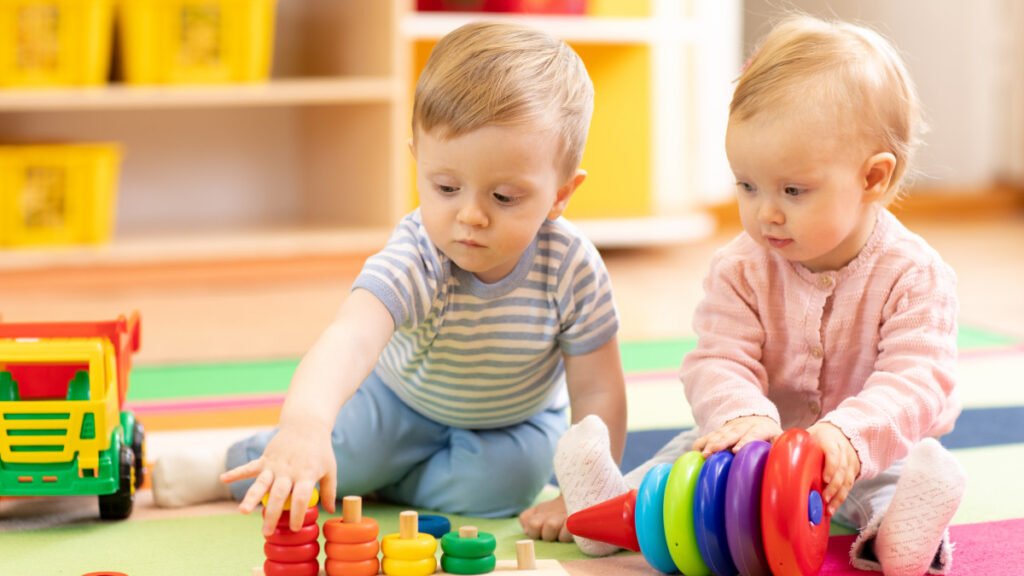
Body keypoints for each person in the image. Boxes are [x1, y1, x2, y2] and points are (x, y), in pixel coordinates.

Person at [150, 21, 627, 538]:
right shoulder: (417, 254)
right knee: (329, 457)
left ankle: (385, 481)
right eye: (445, 187)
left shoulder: (573, 267)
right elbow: (350, 339)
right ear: (418, 163)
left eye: (504, 197)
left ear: (560, 194)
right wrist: (305, 427)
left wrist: (584, 497)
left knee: (507, 490)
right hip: (400, 403)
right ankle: (230, 465)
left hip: (514, 423)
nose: (470, 215)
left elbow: (599, 387)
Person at [548, 14, 966, 576]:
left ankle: (901, 539)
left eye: (793, 190)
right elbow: (718, 357)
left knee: (897, 483)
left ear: (873, 179)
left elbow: (918, 380)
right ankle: (609, 508)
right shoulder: (741, 266)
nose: (765, 211)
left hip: (869, 454)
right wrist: (742, 415)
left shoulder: (915, 275)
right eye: (746, 184)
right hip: (752, 447)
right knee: (679, 471)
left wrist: (846, 436)